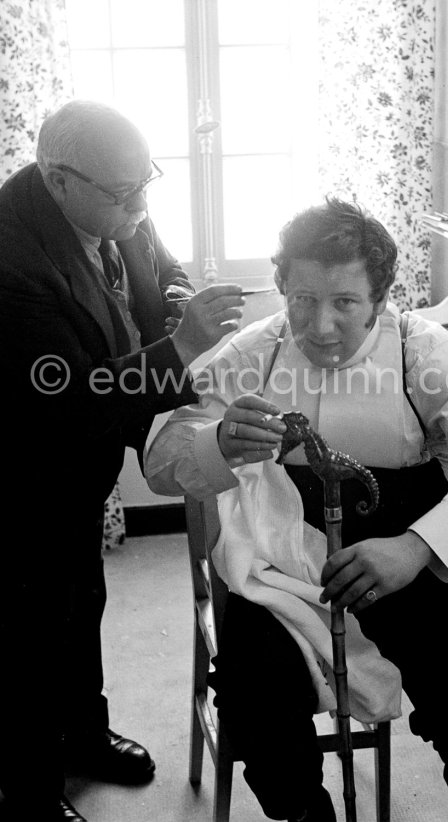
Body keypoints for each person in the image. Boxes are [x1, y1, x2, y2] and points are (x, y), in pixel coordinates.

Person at [145, 198, 448, 822]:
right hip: (280, 574)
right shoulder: (255, 355)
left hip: (405, 562)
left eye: (346, 303)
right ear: (281, 289)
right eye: (302, 299)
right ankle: (308, 815)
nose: (321, 325)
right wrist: (218, 441)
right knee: (256, 700)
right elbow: (162, 459)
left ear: (381, 299)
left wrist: (415, 547)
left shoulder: (424, 354)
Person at [0, 99, 244, 822]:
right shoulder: (11, 263)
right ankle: (31, 791)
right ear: (58, 178)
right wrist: (179, 347)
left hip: (80, 467)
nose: (141, 202)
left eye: (147, 183)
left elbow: (154, 260)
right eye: (124, 192)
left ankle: (84, 734)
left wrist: (172, 295)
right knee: (30, 631)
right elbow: (69, 396)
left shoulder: (115, 195)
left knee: (83, 603)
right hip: (22, 473)